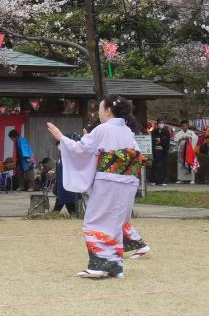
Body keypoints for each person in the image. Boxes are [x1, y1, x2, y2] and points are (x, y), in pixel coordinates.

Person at [47, 95, 149, 279]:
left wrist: (61, 138)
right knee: (115, 223)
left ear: (108, 110)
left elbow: (80, 150)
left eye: (100, 109)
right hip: (128, 181)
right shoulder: (127, 131)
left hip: (108, 180)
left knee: (95, 221)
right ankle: (115, 266)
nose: (98, 112)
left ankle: (100, 266)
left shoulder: (102, 129)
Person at [52, 139, 82, 216]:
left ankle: (54, 215)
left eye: (60, 144)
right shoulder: (60, 157)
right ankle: (73, 216)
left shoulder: (69, 157)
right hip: (61, 187)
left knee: (64, 204)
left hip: (68, 187)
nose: (59, 146)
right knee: (70, 207)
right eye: (58, 144)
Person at [150, 119, 170, 186]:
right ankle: (155, 180)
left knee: (163, 166)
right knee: (155, 165)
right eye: (159, 123)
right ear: (157, 124)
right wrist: (157, 142)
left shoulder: (166, 132)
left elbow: (167, 142)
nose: (160, 124)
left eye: (162, 123)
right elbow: (152, 141)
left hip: (163, 151)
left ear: (164, 124)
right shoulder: (153, 132)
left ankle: (164, 180)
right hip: (156, 151)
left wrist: (161, 141)